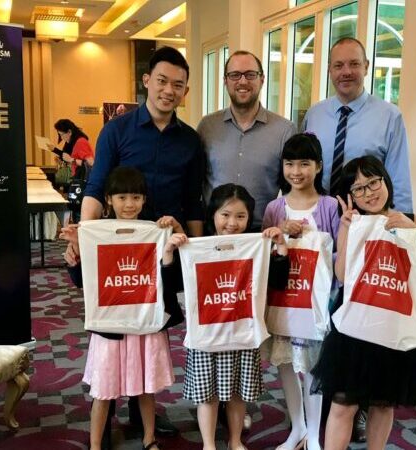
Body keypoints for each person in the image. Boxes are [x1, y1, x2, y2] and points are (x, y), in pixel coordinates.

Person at [311, 155, 416, 450]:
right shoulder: (354, 223)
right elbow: (343, 275)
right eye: (358, 188)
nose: (369, 192)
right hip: (358, 319)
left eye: (373, 182)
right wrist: (346, 228)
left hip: (398, 318)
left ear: (385, 180)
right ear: (350, 196)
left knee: (384, 401)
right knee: (343, 402)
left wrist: (412, 231)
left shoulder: (414, 219)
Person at [61, 167, 185, 450]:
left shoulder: (155, 231)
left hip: (145, 320)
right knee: (103, 391)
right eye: (122, 197)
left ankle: (149, 438)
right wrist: (76, 255)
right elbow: (86, 283)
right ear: (108, 200)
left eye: (136, 197)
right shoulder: (95, 234)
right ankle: (95, 445)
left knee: (146, 386)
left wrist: (174, 234)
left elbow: (171, 280)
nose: (129, 204)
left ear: (144, 200)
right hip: (110, 325)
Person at [162, 184, 289, 450]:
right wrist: (170, 253)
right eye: (225, 215)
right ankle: (209, 444)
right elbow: (173, 284)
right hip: (207, 334)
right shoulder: (197, 247)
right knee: (207, 397)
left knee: (237, 395)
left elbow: (277, 282)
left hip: (242, 333)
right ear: (213, 215)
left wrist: (280, 248)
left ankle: (234, 440)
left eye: (240, 216)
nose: (232, 223)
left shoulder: (255, 245)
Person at [260, 132, 340, 450]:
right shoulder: (274, 207)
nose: (296, 171)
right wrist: (278, 234)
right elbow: (262, 252)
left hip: (315, 303)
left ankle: (316, 437)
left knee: (312, 368)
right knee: (286, 365)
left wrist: (312, 236)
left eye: (304, 163)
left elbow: (338, 256)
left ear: (318, 167)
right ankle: (298, 429)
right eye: (290, 163)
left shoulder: (329, 206)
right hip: (282, 301)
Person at [82, 46, 204, 238]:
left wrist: (198, 251)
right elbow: (96, 188)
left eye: (178, 85)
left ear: (185, 91)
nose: (169, 91)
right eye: (162, 81)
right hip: (125, 239)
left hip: (171, 241)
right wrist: (85, 238)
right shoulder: (115, 131)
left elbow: (193, 202)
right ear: (146, 80)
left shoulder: (191, 140)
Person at [303, 37, 413, 216]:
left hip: (365, 222)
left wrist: (400, 227)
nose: (346, 72)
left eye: (354, 64)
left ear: (366, 66)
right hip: (317, 220)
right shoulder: (314, 115)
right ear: (329, 69)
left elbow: (399, 180)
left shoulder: (390, 117)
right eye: (338, 65)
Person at [198, 50, 297, 229]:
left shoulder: (285, 130)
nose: (243, 81)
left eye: (250, 75)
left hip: (262, 235)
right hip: (214, 234)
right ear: (225, 81)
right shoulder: (207, 126)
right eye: (235, 75)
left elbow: (293, 189)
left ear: (262, 79)